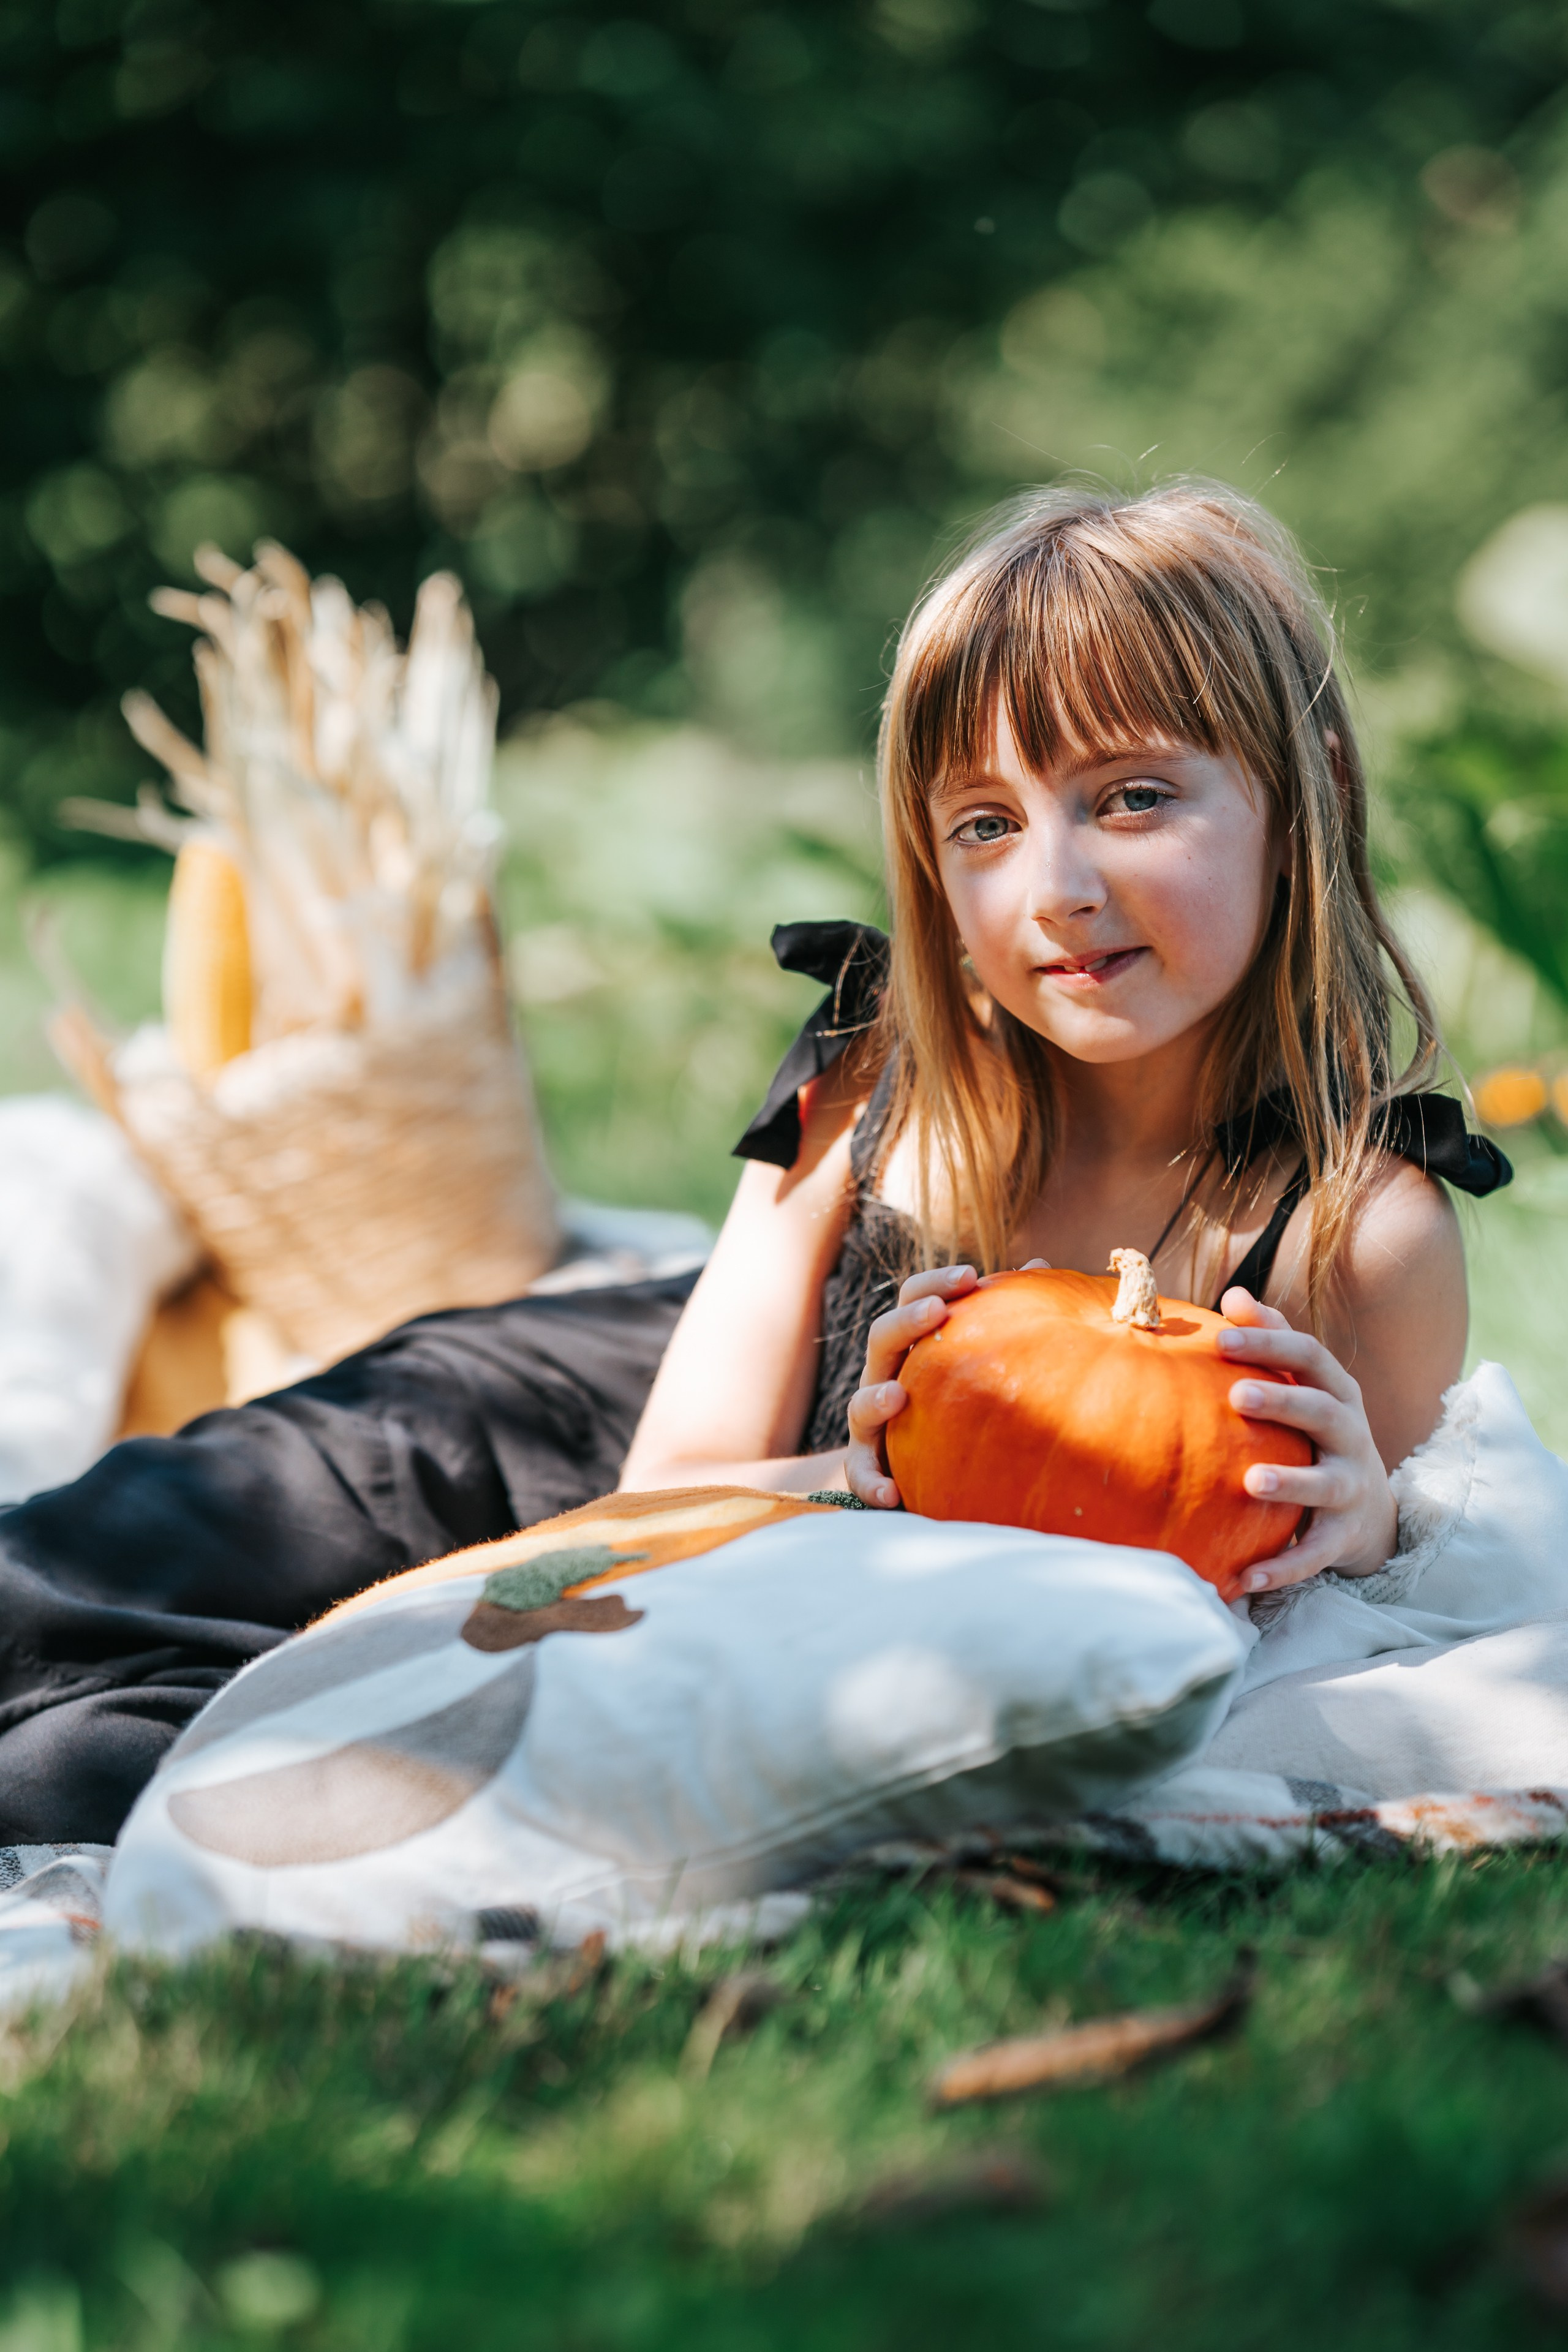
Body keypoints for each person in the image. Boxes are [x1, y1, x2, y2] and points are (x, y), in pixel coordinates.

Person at [0, 481, 1507, 1843]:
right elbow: (671, 1475)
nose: (1054, 889)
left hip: (702, 1599)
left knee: (147, 1758)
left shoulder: (1350, 1233)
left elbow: (1342, 1603)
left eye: (1130, 798)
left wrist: (1359, 1528)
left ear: (1298, 790)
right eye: (983, 823)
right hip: (575, 1422)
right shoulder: (878, 1074)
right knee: (79, 1573)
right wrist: (863, 1477)